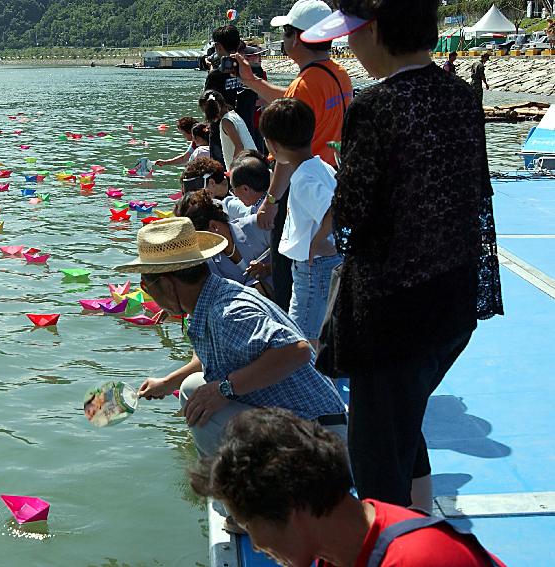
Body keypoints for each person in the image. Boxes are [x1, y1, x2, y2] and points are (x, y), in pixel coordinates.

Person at [301, 0, 503, 510]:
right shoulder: (461, 96)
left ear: (375, 32)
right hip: (452, 299)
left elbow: (351, 214)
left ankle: (392, 545)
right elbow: (476, 196)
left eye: (352, 33)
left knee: (374, 455)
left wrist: (319, 234)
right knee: (406, 423)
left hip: (389, 312)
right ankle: (421, 523)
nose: (348, 44)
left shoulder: (374, 107)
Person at [121, 218, 347, 461]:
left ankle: (241, 492)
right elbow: (217, 357)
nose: (148, 293)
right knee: (192, 388)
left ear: (166, 284)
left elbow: (297, 350)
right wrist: (167, 382)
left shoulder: (227, 313)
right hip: (310, 424)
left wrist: (224, 389)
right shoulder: (215, 294)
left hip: (322, 440)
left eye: (146, 286)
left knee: (203, 418)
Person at [189, 408, 509, 567]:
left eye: (249, 524)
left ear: (294, 508)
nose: (256, 545)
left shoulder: (416, 558)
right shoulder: (343, 545)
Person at [232, 0, 352, 313]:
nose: (284, 43)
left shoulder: (306, 83)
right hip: (330, 176)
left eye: (285, 35)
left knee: (290, 275)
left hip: (302, 187)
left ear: (296, 38)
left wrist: (270, 204)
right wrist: (254, 82)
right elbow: (292, 101)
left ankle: (294, 341)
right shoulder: (337, 75)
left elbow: (287, 153)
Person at [261, 98, 342, 350]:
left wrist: (317, 242)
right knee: (321, 324)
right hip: (325, 261)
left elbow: (333, 207)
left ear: (273, 145)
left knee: (303, 333)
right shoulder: (321, 166)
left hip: (313, 266)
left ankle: (310, 378)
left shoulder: (303, 178)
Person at [173, 190, 270, 290]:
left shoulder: (258, 225)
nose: (198, 245)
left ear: (214, 226)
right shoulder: (206, 262)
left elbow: (286, 256)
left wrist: (267, 269)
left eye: (199, 239)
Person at [210, 25, 263, 150]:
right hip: (248, 130)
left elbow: (209, 105)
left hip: (222, 137)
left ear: (218, 46)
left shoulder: (216, 75)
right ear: (239, 43)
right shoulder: (254, 71)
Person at [199, 90, 257, 171]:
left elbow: (239, 146)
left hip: (245, 169)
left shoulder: (226, 122)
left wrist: (232, 169)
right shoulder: (234, 115)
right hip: (254, 162)